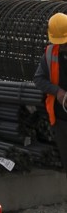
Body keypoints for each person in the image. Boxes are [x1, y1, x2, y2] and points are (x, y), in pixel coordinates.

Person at [34, 12, 67, 173]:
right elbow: (38, 79)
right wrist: (58, 92)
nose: (61, 46)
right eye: (58, 43)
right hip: (60, 120)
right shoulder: (49, 54)